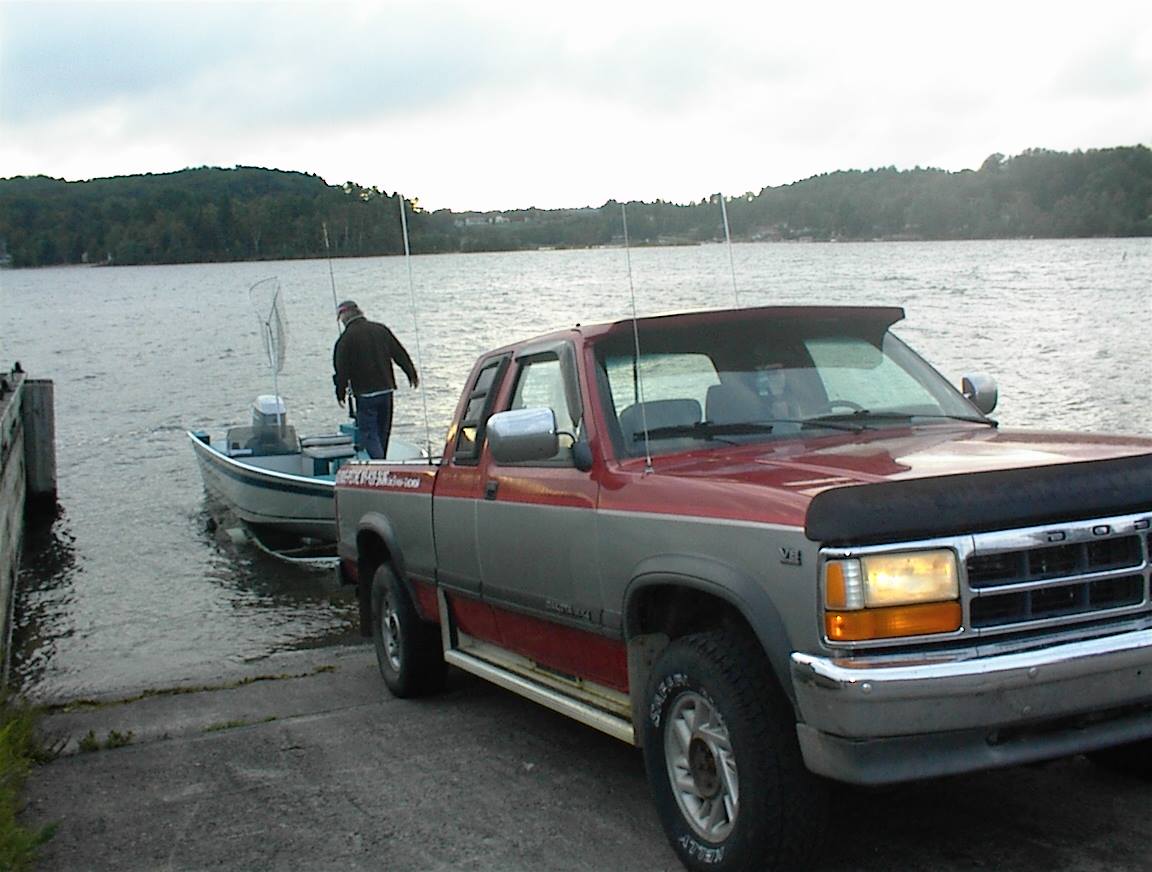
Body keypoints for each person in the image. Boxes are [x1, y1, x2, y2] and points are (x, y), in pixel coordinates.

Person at [332, 300, 419, 459]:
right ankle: (384, 463)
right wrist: (411, 373)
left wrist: (340, 393)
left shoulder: (345, 340)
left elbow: (341, 371)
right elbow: (399, 353)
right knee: (383, 433)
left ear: (344, 317)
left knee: (369, 435)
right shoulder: (381, 330)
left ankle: (380, 464)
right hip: (387, 390)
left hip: (366, 395)